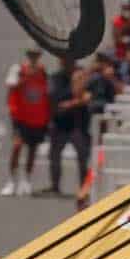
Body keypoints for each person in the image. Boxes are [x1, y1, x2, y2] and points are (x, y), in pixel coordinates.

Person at [1, 46, 51, 197]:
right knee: (17, 146)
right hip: (20, 116)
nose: (33, 57)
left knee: (32, 150)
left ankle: (27, 180)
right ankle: (11, 180)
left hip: (37, 117)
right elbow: (11, 86)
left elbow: (48, 90)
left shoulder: (43, 71)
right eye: (31, 55)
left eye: (36, 55)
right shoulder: (18, 69)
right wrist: (26, 77)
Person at [47, 58, 91, 194]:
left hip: (78, 124)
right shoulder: (56, 78)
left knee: (82, 156)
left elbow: (87, 97)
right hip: (60, 123)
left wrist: (71, 103)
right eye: (66, 62)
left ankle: (83, 187)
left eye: (71, 62)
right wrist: (75, 97)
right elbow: (55, 96)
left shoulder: (82, 75)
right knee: (54, 155)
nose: (68, 64)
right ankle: (55, 185)